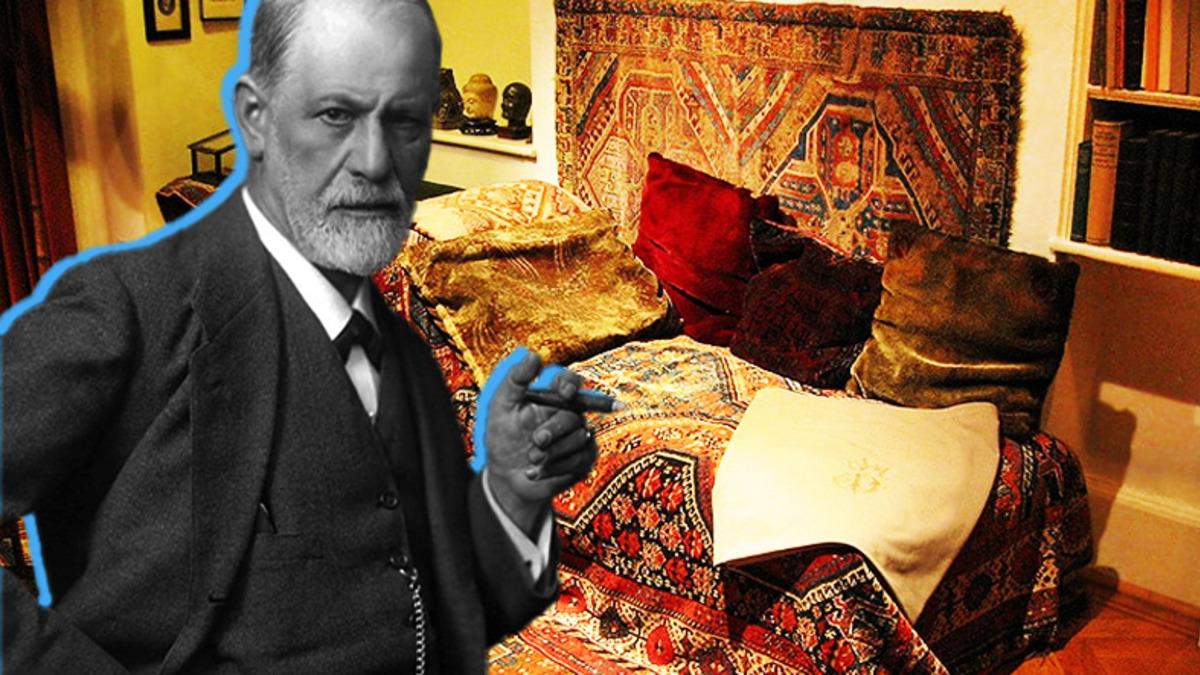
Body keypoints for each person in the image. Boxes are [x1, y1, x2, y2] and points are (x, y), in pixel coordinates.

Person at [1, 0, 605, 672]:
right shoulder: (131, 307)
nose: (376, 160)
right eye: (336, 114)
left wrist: (512, 490)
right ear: (257, 118)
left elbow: (428, 603)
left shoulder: (400, 344)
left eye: (404, 119)